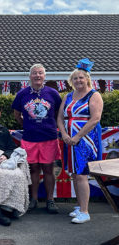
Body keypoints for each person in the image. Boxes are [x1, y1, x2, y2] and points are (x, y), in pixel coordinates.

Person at [57, 58, 103, 224]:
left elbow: (95, 119)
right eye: (75, 78)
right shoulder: (68, 96)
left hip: (85, 139)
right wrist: (63, 134)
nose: (78, 80)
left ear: (87, 78)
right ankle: (79, 205)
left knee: (82, 174)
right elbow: (60, 117)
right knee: (74, 174)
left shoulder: (94, 95)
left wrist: (77, 137)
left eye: (81, 77)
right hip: (69, 138)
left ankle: (85, 211)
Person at [12, 64, 62, 214]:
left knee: (48, 169)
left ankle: (50, 200)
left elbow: (59, 114)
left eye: (40, 73)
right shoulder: (22, 94)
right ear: (30, 76)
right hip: (29, 139)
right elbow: (16, 115)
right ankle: (33, 199)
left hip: (49, 138)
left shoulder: (53, 93)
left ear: (44, 76)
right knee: (32, 169)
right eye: (34, 73)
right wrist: (27, 126)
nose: (37, 76)